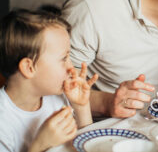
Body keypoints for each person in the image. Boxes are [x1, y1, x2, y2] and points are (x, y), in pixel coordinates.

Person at [0, 9, 98, 152]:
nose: (72, 68)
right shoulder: (3, 122)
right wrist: (40, 145)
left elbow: (87, 145)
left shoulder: (57, 97)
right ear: (29, 67)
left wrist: (81, 107)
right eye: (64, 58)